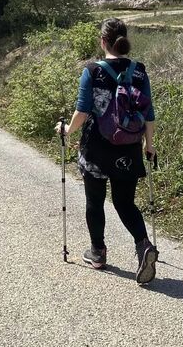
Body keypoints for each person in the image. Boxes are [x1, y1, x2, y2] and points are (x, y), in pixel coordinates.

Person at [55, 17, 159, 284]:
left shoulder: (93, 70)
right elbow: (149, 113)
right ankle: (143, 245)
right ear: (125, 40)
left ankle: (97, 253)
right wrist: (150, 144)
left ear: (102, 41)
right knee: (125, 203)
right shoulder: (139, 71)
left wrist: (66, 131)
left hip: (97, 149)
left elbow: (83, 110)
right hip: (130, 147)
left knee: (95, 201)